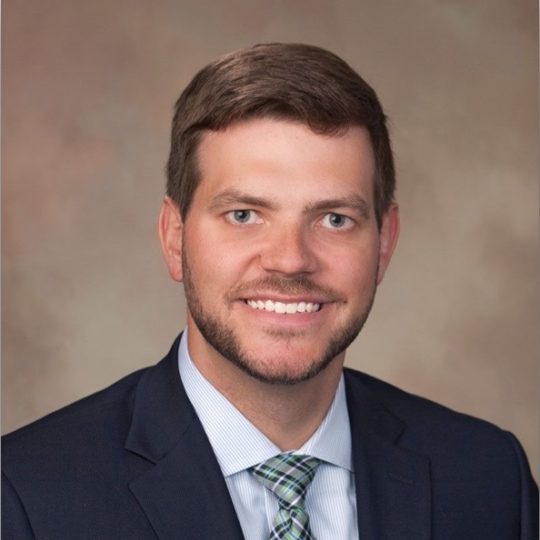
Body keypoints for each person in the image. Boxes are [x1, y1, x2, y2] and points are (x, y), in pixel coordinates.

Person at [2, 43, 537, 540]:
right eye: (244, 214)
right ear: (174, 237)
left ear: (385, 242)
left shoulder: (488, 479)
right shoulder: (26, 496)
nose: (290, 259)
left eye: (334, 218)